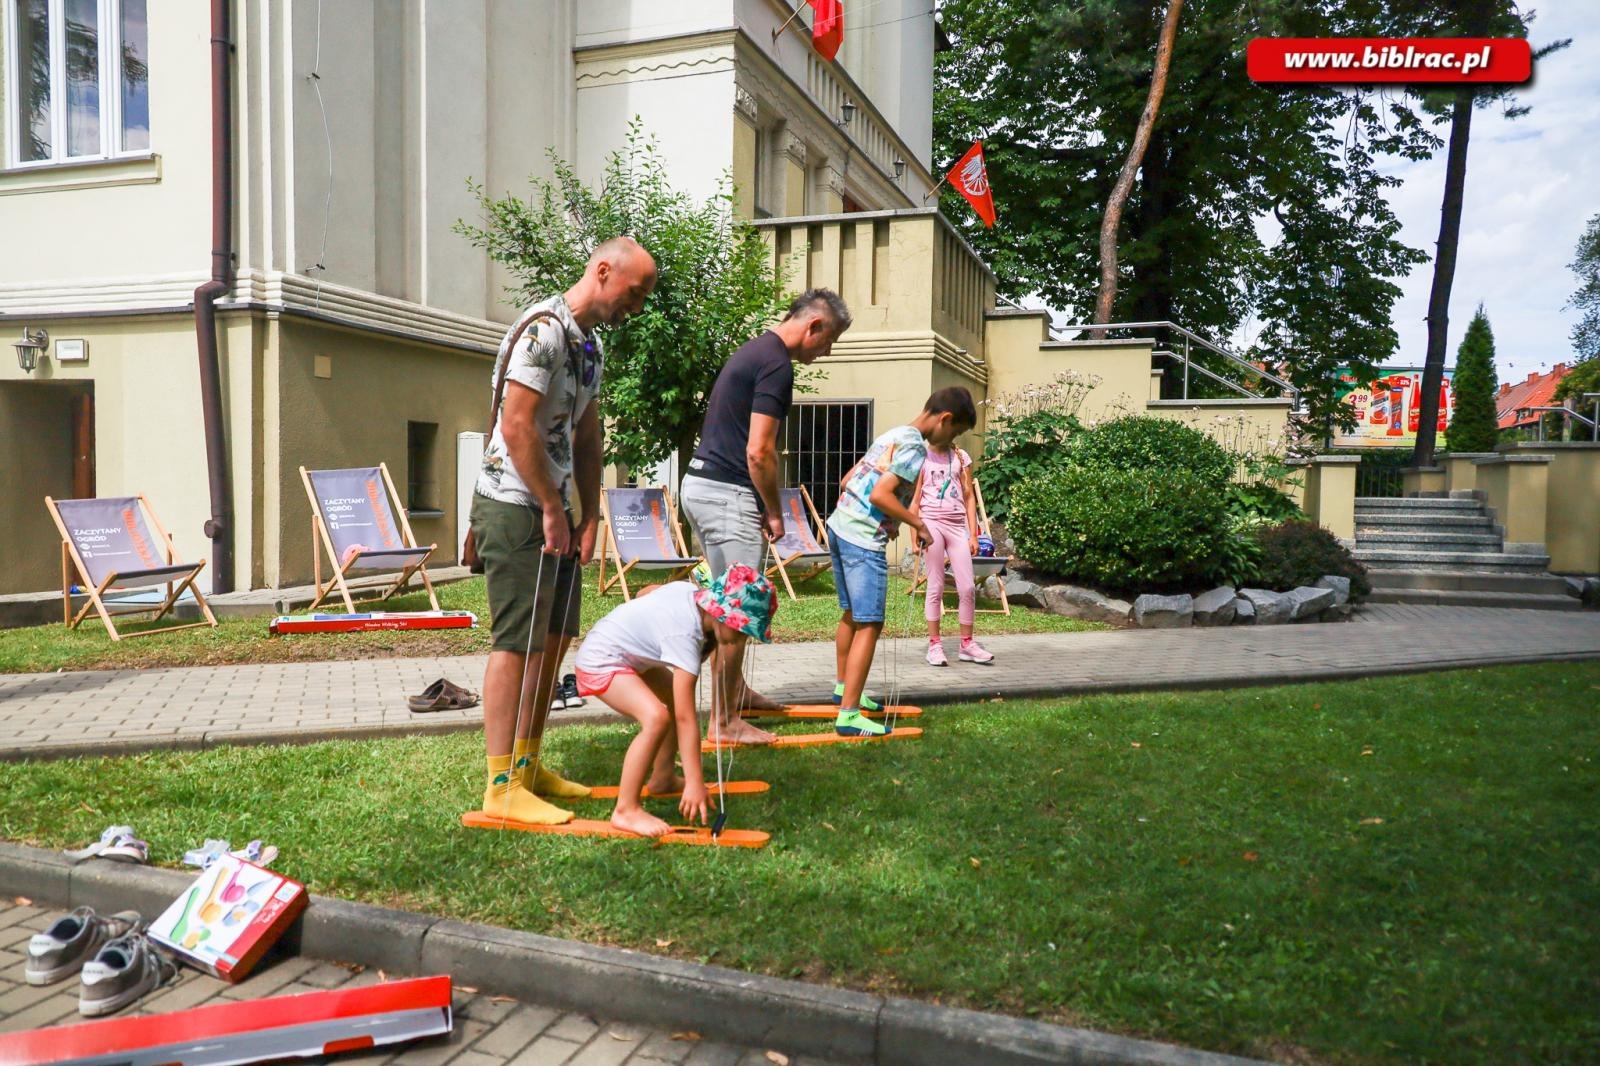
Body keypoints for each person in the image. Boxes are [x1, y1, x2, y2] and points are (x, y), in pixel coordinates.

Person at [470, 236, 657, 826]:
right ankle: (500, 786)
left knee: (551, 642)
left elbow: (585, 434)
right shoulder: (543, 330)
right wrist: (553, 506)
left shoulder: (588, 348)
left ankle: (527, 766)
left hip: (554, 507)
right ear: (602, 271)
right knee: (516, 643)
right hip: (516, 505)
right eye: (635, 291)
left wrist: (590, 509)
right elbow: (517, 423)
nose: (639, 305)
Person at [680, 288, 852, 744]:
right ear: (813, 326)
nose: (828, 350)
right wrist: (775, 513)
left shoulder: (756, 349)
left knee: (724, 601)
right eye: (829, 340)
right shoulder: (776, 364)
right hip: (727, 493)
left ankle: (736, 695)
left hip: (702, 486)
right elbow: (760, 451)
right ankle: (723, 723)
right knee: (738, 609)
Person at [572, 565, 779, 838]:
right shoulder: (685, 636)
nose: (742, 639)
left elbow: (646, 592)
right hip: (600, 661)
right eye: (741, 631)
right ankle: (626, 810)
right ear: (720, 614)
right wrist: (695, 782)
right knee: (656, 718)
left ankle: (663, 777)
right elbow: (685, 717)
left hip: (620, 652)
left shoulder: (690, 595)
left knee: (668, 699)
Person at [826, 387, 978, 736]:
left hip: (839, 525)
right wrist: (917, 524)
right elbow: (882, 494)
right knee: (870, 622)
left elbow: (849, 480)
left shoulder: (894, 434)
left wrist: (888, 520)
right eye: (953, 434)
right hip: (861, 540)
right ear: (945, 419)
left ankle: (843, 688)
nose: (950, 440)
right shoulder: (914, 447)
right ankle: (848, 716)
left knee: (851, 614)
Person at [909, 440, 994, 665]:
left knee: (966, 586)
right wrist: (914, 534)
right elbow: (915, 500)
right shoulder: (922, 457)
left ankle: (967, 644)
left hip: (957, 527)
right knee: (935, 585)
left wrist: (974, 534)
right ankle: (934, 645)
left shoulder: (961, 456)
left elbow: (969, 497)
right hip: (931, 524)